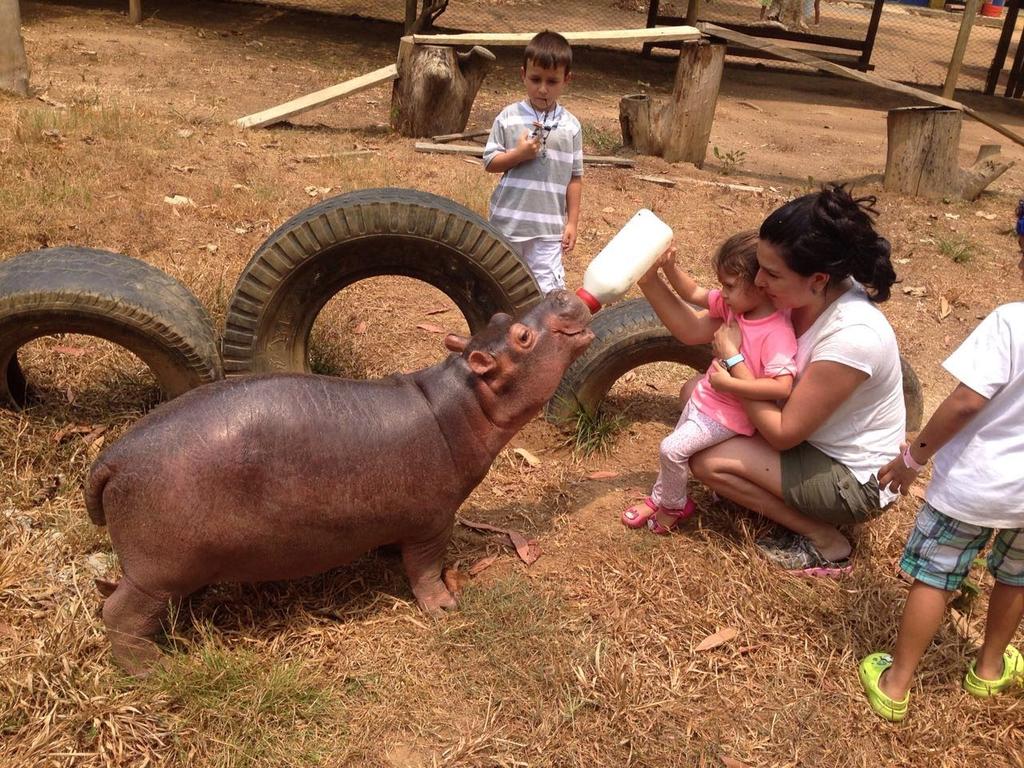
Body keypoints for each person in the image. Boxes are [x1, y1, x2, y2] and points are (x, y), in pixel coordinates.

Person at [857, 208, 1024, 722]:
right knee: (1016, 577)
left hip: (975, 487)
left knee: (936, 576)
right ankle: (989, 669)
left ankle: (897, 681)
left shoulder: (1012, 322)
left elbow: (965, 403)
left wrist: (912, 457)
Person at [688, 184, 904, 575]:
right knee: (695, 396)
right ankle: (763, 489)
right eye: (759, 267)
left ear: (818, 279)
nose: (758, 283)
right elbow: (695, 326)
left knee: (706, 460)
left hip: (852, 477)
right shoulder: (798, 297)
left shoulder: (854, 335)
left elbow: (784, 433)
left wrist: (734, 361)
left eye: (771, 274)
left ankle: (826, 539)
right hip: (813, 437)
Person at [621, 231, 797, 534]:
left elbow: (782, 387)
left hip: (729, 416)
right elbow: (693, 294)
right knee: (675, 448)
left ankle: (675, 507)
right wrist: (669, 267)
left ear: (761, 285)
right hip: (705, 400)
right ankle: (659, 497)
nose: (722, 293)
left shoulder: (776, 333)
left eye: (729, 285)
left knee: (671, 450)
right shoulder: (734, 308)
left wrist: (732, 385)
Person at [483, 31, 583, 295]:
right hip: (509, 223)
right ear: (522, 74)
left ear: (566, 80)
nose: (542, 88)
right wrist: (519, 155)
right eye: (535, 79)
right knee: (503, 286)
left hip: (549, 228)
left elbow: (575, 177)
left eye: (552, 81)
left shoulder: (571, 126)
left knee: (546, 294)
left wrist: (571, 223)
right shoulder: (508, 117)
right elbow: (490, 162)